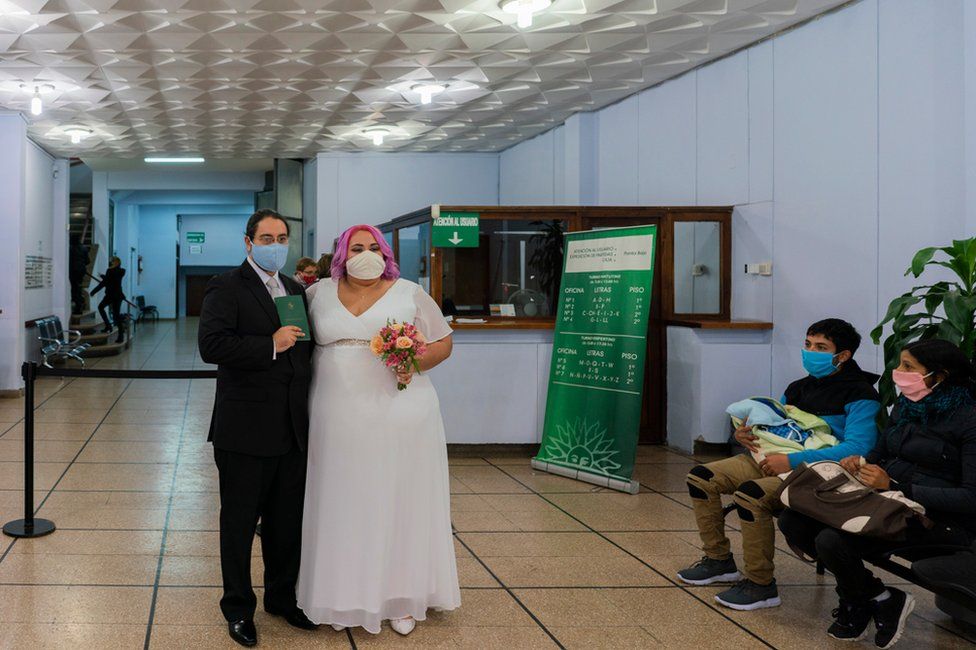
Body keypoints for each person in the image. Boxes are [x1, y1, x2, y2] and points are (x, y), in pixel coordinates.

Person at [297, 224, 460, 636]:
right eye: (357, 247)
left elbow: (443, 340)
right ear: (341, 255)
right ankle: (342, 594)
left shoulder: (409, 292)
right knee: (343, 500)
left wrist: (415, 361)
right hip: (335, 413)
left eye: (374, 247)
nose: (366, 254)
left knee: (397, 498)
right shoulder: (316, 293)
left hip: (402, 410)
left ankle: (400, 598)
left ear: (386, 252)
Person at [778, 339, 976, 648]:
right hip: (889, 503)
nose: (898, 372)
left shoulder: (969, 420)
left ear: (939, 376)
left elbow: (970, 498)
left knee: (832, 540)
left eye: (908, 367)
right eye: (899, 364)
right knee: (794, 520)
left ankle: (862, 601)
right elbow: (880, 453)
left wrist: (897, 487)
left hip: (939, 521)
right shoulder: (908, 404)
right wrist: (861, 464)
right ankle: (877, 597)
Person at [678, 318, 880, 610]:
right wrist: (746, 433)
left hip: (821, 473)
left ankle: (761, 585)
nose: (810, 352)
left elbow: (859, 448)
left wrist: (790, 459)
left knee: (751, 495)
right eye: (808, 344)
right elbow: (775, 423)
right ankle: (719, 560)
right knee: (701, 477)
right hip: (774, 459)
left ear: (843, 355)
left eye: (821, 347)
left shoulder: (861, 395)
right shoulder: (798, 387)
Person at [198, 208, 317, 647]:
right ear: (248, 242)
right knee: (239, 524)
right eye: (266, 238)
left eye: (282, 237)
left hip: (292, 429)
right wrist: (269, 344)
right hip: (244, 430)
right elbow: (211, 345)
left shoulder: (294, 289)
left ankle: (282, 599)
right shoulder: (226, 286)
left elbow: (305, 352)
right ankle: (238, 608)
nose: (275, 245)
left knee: (286, 524)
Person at [89, 256, 126, 343]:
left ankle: (108, 325)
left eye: (111, 261)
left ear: (114, 262)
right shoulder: (122, 271)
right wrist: (103, 276)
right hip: (119, 295)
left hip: (110, 295)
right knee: (117, 315)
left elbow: (105, 282)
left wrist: (93, 291)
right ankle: (120, 335)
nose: (110, 263)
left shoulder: (110, 271)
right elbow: (112, 280)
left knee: (101, 307)